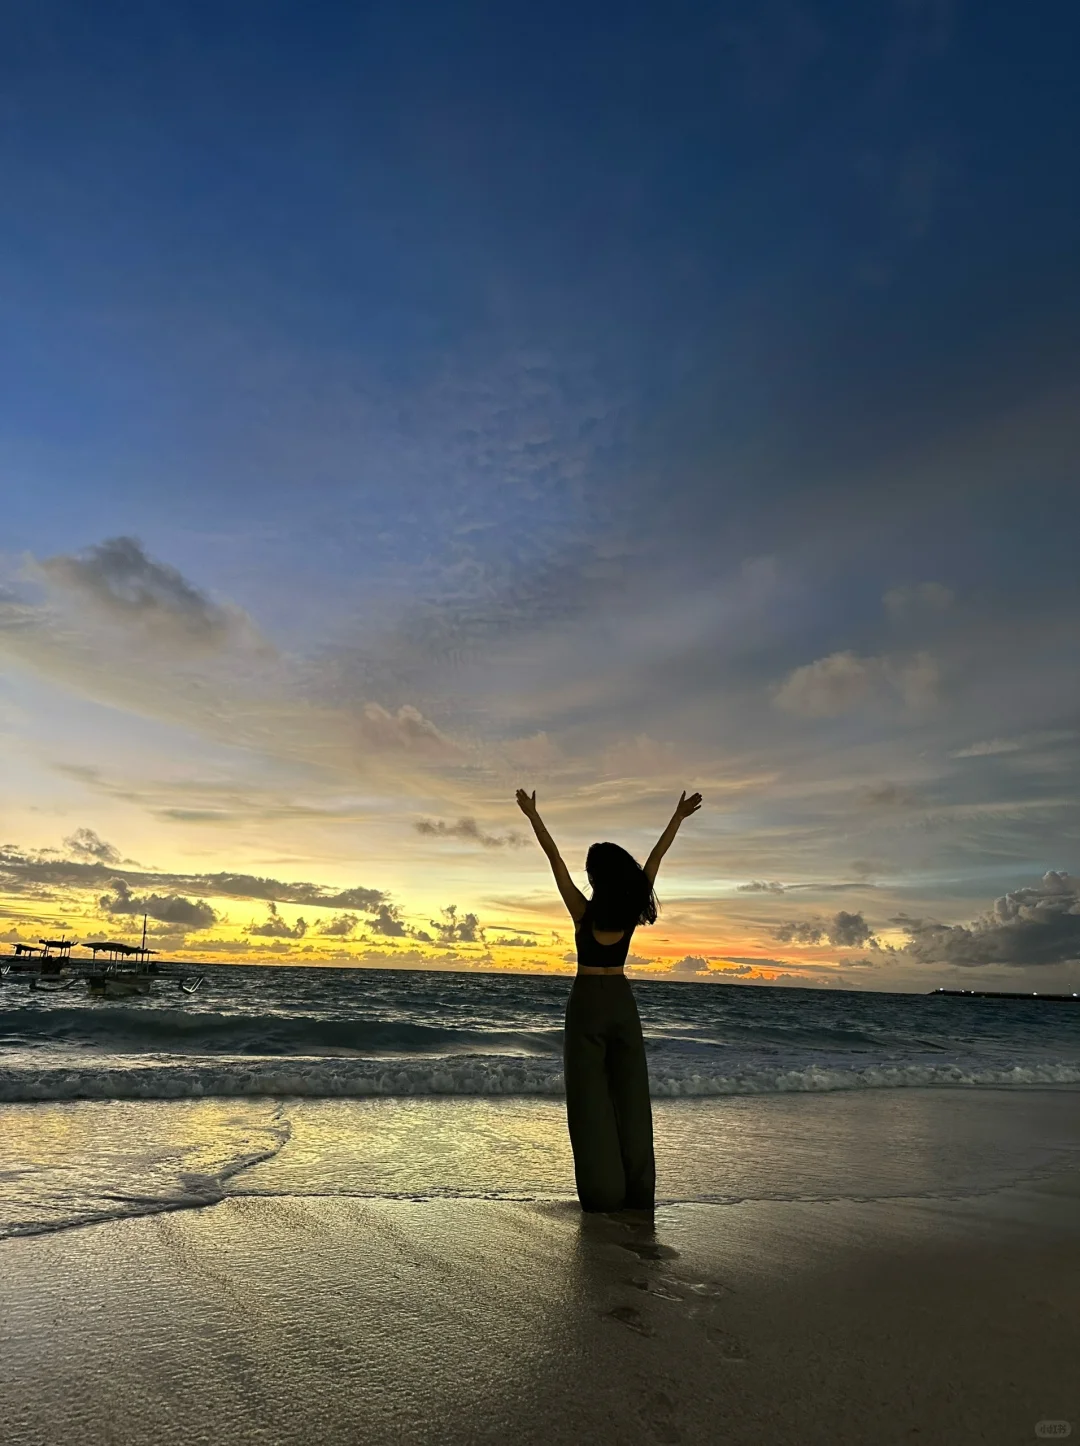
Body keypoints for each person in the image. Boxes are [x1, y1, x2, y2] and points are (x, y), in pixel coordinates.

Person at [515, 787, 703, 1213]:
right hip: (622, 1003)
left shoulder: (582, 913)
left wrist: (532, 816)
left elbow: (554, 860)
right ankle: (638, 1195)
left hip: (586, 1004)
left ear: (595, 877)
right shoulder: (632, 905)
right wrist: (676, 817)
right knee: (632, 1095)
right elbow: (656, 858)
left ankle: (603, 1194)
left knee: (589, 1101)